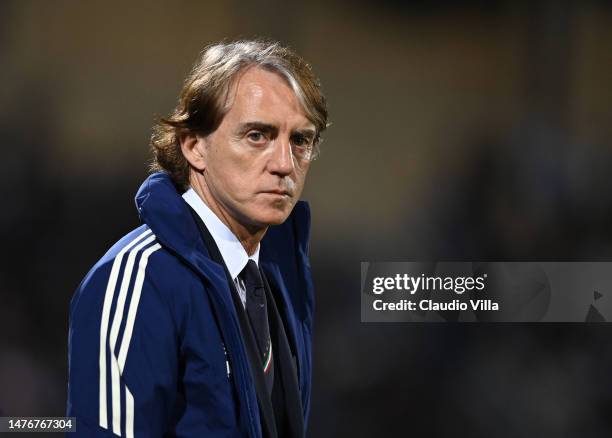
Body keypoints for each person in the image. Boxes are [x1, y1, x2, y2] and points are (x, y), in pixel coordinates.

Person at [66, 39, 328, 438]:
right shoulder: (140, 278)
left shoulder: (277, 277)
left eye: (300, 141)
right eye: (258, 135)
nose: (283, 165)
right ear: (194, 146)